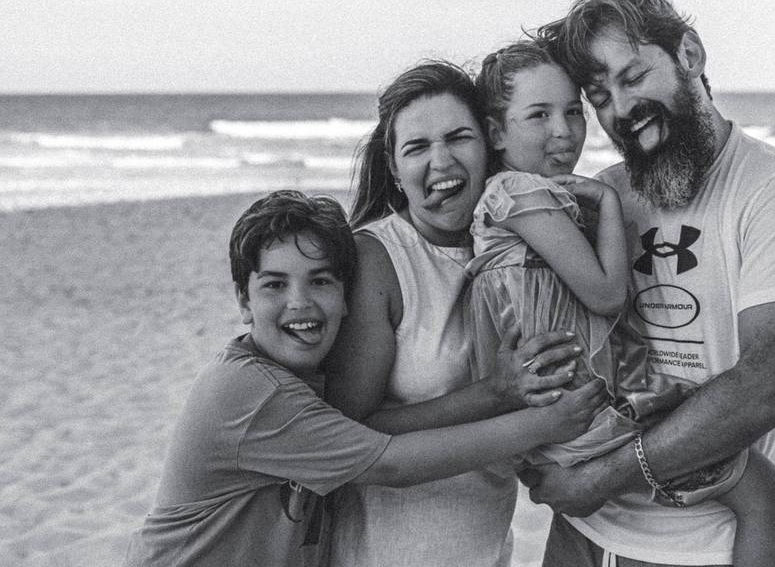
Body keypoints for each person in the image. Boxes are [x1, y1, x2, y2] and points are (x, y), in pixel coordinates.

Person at [520, 0, 775, 566]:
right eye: (599, 95)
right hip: (591, 530)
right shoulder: (609, 197)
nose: (619, 109)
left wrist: (601, 477)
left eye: (633, 77)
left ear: (689, 55)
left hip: (711, 541)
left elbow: (766, 389)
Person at [123, 190, 605, 567]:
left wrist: (495, 392)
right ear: (244, 302)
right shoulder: (253, 392)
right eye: (274, 284)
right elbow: (391, 463)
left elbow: (376, 429)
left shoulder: (302, 381)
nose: (300, 303)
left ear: (347, 295)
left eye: (321, 280)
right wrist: (546, 425)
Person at [470, 40, 775, 566]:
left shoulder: (522, 196)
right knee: (764, 493)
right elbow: (604, 294)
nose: (564, 130)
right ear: (496, 131)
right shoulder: (521, 194)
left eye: (574, 110)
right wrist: (608, 200)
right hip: (585, 408)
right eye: (538, 115)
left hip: (576, 398)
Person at [323, 61, 587, 566]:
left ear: (488, 143)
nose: (441, 161)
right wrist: (494, 393)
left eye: (458, 138)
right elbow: (346, 435)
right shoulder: (377, 260)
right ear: (395, 168)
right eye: (417, 147)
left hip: (485, 549)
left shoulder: (521, 246)